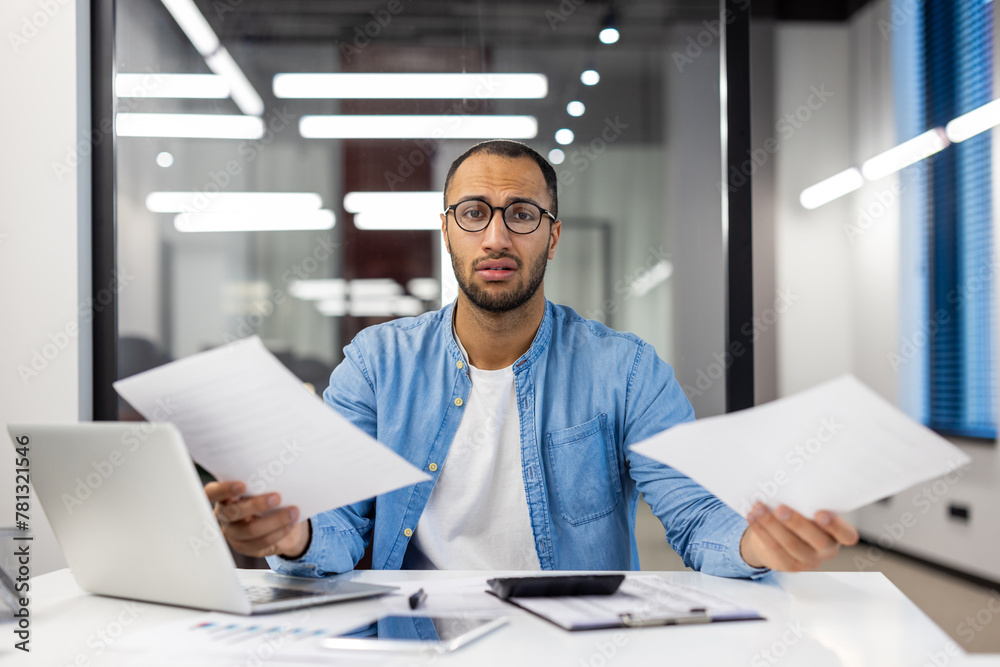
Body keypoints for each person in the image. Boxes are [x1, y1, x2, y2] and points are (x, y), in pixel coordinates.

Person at [205, 140, 858, 577]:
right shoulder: (377, 363)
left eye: (520, 213)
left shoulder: (622, 369)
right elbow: (339, 525)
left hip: (569, 646)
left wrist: (754, 543)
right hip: (418, 643)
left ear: (553, 233)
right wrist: (289, 535)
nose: (495, 236)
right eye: (473, 213)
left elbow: (694, 515)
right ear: (446, 229)